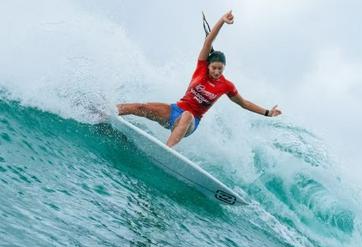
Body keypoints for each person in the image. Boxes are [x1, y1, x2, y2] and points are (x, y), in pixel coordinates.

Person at [117, 10, 282, 147]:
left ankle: (167, 151)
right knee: (141, 107)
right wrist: (222, 21)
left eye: (220, 69)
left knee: (188, 115)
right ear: (208, 65)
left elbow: (244, 103)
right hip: (175, 110)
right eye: (214, 67)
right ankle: (106, 109)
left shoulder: (226, 86)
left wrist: (268, 113)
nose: (217, 71)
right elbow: (208, 41)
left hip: (190, 122)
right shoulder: (201, 69)